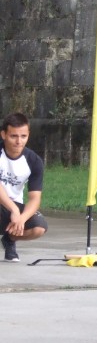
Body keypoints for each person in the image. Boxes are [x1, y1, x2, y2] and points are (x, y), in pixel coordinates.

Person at [0, 112, 49, 263]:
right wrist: (14, 210)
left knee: (39, 228)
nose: (18, 141)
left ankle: (9, 239)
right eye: (13, 136)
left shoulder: (34, 161)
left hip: (13, 207)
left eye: (23, 136)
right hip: (6, 205)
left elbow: (35, 198)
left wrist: (22, 218)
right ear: (3, 134)